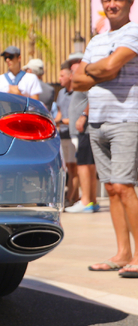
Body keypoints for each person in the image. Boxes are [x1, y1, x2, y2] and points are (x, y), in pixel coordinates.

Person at [72, 0, 138, 277]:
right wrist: (102, 69)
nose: (113, 4)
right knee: (110, 189)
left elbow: (109, 67)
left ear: (129, 3)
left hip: (126, 120)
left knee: (124, 188)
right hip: (97, 121)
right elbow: (76, 80)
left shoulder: (133, 32)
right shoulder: (97, 39)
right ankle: (123, 253)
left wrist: (95, 69)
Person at [65, 53, 100, 214]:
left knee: (84, 165)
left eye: (76, 62)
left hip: (84, 129)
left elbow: (93, 98)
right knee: (87, 164)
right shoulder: (80, 78)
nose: (73, 66)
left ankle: (86, 200)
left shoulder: (85, 78)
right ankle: (91, 200)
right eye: (71, 63)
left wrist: (84, 116)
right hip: (80, 130)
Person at [53, 61, 79, 206]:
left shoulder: (77, 93)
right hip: (62, 134)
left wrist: (61, 121)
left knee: (74, 168)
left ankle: (70, 198)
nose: (59, 79)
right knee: (68, 167)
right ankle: (72, 198)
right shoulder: (61, 93)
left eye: (62, 75)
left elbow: (73, 118)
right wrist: (53, 121)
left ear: (70, 76)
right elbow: (60, 114)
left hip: (73, 135)